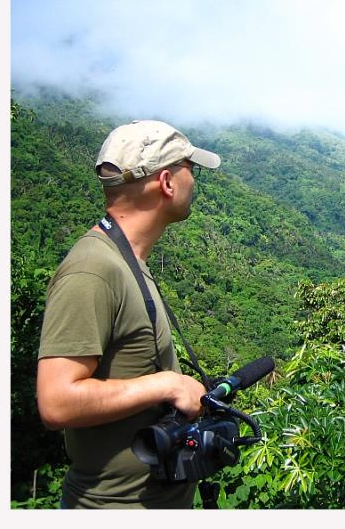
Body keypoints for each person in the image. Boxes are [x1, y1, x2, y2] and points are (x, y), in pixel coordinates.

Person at [36, 119, 221, 508]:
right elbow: (56, 401)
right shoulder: (93, 270)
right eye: (192, 170)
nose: (196, 182)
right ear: (167, 182)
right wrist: (168, 385)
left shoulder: (127, 260)